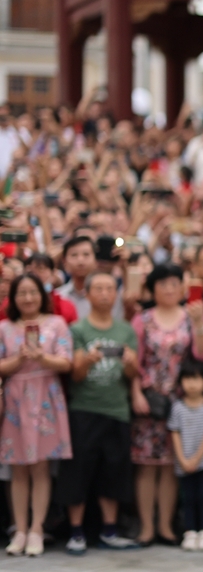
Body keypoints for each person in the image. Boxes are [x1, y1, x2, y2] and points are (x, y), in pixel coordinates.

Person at [57, 272, 140, 555]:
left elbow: (132, 374)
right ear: (88, 294)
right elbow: (76, 375)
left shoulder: (125, 330)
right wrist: (88, 360)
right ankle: (76, 533)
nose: (105, 294)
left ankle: (110, 530)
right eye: (99, 289)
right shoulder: (78, 329)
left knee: (113, 472)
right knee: (78, 472)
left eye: (110, 289)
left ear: (116, 294)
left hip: (117, 409)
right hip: (84, 409)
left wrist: (130, 362)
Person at [129, 263, 203, 546]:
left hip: (180, 401)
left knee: (170, 465)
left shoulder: (190, 317)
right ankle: (146, 527)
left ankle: (165, 525)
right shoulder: (142, 319)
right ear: (152, 289)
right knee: (146, 465)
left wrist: (200, 324)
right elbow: (134, 361)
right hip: (149, 399)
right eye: (162, 283)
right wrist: (136, 393)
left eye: (174, 283)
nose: (169, 289)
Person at [0, 274, 73, 556]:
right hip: (16, 399)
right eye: (22, 293)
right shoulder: (5, 327)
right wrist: (19, 359)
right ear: (13, 298)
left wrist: (42, 357)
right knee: (18, 468)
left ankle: (37, 529)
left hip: (46, 397)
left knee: (41, 467)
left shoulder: (57, 323)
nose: (28, 298)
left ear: (42, 296)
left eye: (33, 292)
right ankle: (19, 529)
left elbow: (66, 362)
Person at [168, 366, 203, 552]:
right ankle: (189, 532)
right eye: (188, 379)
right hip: (183, 463)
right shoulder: (177, 407)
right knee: (188, 497)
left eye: (197, 379)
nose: (192, 384)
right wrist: (182, 459)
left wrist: (197, 459)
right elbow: (174, 432)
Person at [57, 236, 124, 320]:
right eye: (74, 255)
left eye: (86, 254)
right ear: (64, 261)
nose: (80, 260)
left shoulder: (108, 295)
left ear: (96, 259)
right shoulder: (58, 296)